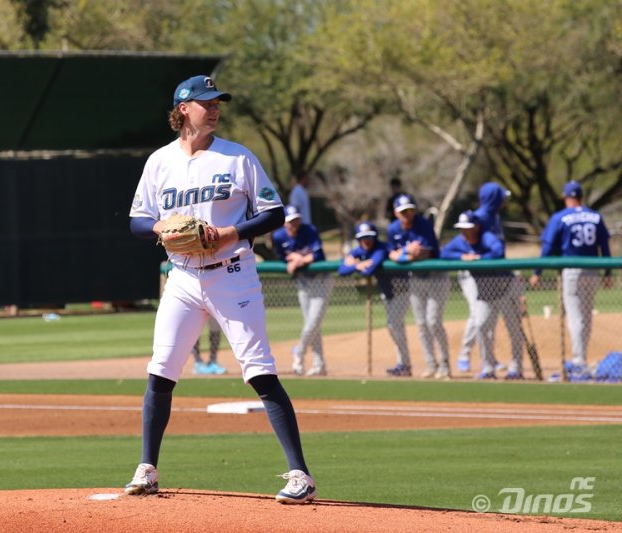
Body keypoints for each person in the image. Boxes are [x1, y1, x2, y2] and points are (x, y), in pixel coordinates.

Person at [127, 74, 316, 504]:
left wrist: (231, 232)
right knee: (161, 371)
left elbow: (273, 213)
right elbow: (137, 220)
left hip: (231, 274)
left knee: (260, 371)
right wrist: (160, 227)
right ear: (183, 109)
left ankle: (301, 476)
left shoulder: (237, 157)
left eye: (217, 103)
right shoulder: (159, 162)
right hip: (181, 278)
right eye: (206, 103)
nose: (214, 109)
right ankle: (147, 469)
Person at [529, 180, 613, 378]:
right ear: (581, 197)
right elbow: (605, 246)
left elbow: (548, 247)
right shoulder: (595, 216)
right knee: (586, 316)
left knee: (575, 317)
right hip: (592, 270)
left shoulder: (560, 217)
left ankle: (578, 361)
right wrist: (608, 272)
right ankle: (581, 357)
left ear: (566, 198)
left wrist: (537, 271)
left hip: (572, 270)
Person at [441, 211, 526, 380]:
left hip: (506, 287)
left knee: (514, 329)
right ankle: (487, 367)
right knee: (480, 326)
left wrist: (479, 258)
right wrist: (462, 257)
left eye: (468, 228)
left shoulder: (487, 237)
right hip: (484, 292)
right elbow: (444, 253)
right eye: (462, 228)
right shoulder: (460, 241)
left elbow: (498, 250)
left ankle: (516, 368)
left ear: (476, 227)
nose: (464, 231)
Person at [387, 194, 451, 379]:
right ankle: (430, 364)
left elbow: (424, 252)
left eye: (410, 210)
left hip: (436, 276)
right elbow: (391, 252)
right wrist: (406, 252)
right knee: (422, 324)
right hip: (415, 278)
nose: (407, 214)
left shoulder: (423, 224)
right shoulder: (393, 228)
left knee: (433, 321)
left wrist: (401, 254)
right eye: (403, 211)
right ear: (396, 213)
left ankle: (444, 364)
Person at [339, 221, 412, 376]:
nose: (366, 240)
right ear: (358, 239)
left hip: (402, 290)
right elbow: (342, 270)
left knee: (394, 325)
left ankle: (404, 364)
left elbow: (370, 269)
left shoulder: (381, 248)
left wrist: (357, 265)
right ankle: (403, 364)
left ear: (375, 237)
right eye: (363, 237)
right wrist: (356, 265)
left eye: (369, 237)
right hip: (388, 293)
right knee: (395, 327)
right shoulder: (358, 251)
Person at [456, 182, 512, 373]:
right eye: (501, 197)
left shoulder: (495, 217)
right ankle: (464, 354)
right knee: (477, 315)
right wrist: (466, 256)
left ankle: (489, 358)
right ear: (494, 198)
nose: (504, 201)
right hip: (473, 274)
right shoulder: (479, 217)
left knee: (490, 318)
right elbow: (462, 243)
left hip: (491, 274)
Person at [272, 205, 334, 377]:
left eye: (297, 220)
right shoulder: (278, 236)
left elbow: (318, 254)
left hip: (321, 281)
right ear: (284, 223)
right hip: (303, 282)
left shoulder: (309, 230)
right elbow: (282, 257)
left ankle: (298, 353)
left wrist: (300, 260)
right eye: (291, 221)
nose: (295, 224)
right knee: (312, 325)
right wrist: (292, 260)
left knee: (312, 323)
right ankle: (319, 365)